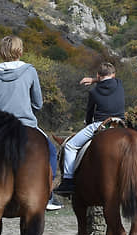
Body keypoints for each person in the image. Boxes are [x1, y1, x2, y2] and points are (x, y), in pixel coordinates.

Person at [0, 35, 61, 216]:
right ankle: (49, 194)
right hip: (26, 124)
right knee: (51, 152)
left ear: (1, 52)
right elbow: (38, 103)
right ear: (20, 51)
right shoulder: (30, 71)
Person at [53, 62, 125, 195]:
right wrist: (94, 79)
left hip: (100, 124)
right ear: (114, 75)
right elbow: (107, 78)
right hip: (120, 124)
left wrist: (93, 80)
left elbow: (90, 114)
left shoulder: (94, 91)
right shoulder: (119, 84)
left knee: (70, 146)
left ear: (98, 75)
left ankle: (68, 181)